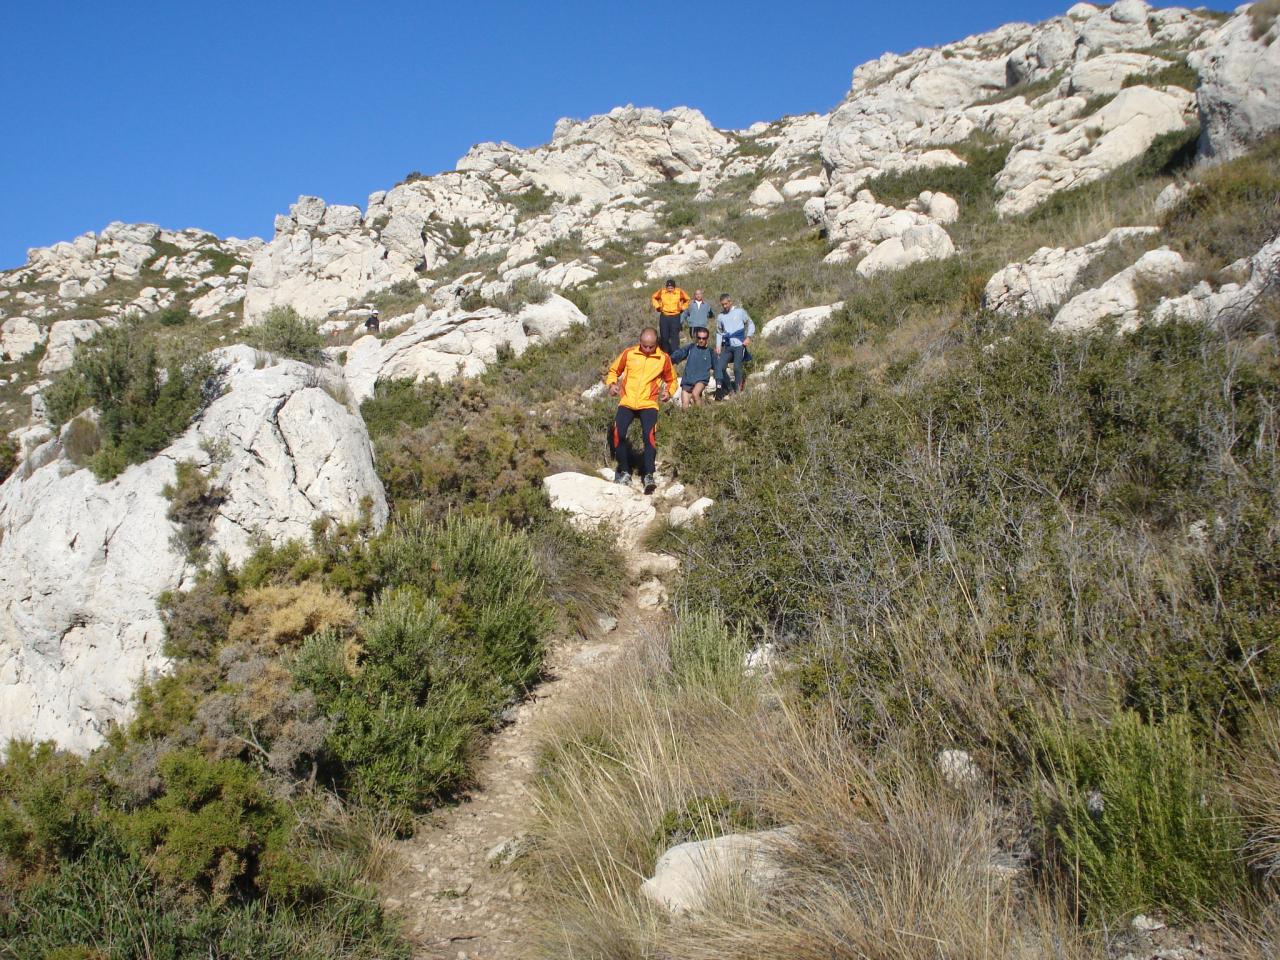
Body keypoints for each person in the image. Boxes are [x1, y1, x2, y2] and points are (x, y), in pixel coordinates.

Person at [604, 326, 677, 494]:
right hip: (627, 401)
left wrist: (669, 392)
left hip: (648, 403)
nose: (648, 349)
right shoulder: (629, 353)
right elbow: (614, 371)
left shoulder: (663, 358)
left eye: (651, 346)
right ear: (640, 342)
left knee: (648, 436)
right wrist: (612, 384)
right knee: (618, 433)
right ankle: (624, 471)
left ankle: (649, 474)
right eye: (645, 346)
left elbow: (672, 379)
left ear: (656, 343)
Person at [714, 293, 755, 396]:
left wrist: (748, 337)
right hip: (727, 346)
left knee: (737, 367)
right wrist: (718, 346)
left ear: (730, 302)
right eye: (722, 304)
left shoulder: (740, 312)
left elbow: (750, 323)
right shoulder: (720, 317)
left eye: (726, 304)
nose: (724, 306)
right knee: (720, 367)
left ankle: (738, 391)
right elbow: (719, 332)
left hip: (739, 345)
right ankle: (730, 389)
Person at [670, 326, 716, 407]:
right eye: (699, 338)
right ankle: (689, 418)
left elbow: (718, 366)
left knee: (695, 394)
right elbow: (680, 354)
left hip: (701, 379)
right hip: (688, 380)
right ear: (696, 338)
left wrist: (719, 381)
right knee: (685, 405)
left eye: (704, 338)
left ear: (707, 338)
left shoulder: (710, 351)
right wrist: (669, 360)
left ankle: (700, 414)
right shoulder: (690, 348)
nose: (701, 340)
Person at [650, 278, 690, 356]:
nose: (670, 289)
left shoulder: (679, 292)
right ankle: (665, 353)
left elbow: (687, 299)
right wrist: (657, 306)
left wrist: (682, 308)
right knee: (664, 335)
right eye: (668, 287)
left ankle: (675, 354)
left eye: (671, 288)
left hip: (675, 316)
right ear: (666, 287)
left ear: (674, 287)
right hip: (664, 316)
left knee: (674, 335)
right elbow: (654, 297)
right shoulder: (662, 292)